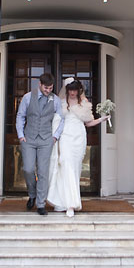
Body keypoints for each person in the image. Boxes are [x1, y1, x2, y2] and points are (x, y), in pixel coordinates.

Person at [46, 78, 110, 217]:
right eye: (71, 90)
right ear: (67, 90)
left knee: (74, 169)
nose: (73, 93)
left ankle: (70, 202)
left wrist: (101, 119)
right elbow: (55, 121)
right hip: (65, 137)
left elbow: (88, 123)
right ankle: (68, 203)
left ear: (78, 90)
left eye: (75, 90)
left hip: (79, 138)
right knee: (65, 165)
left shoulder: (85, 104)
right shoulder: (61, 103)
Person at [15, 72, 64, 215]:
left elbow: (61, 119)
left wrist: (55, 137)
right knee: (28, 169)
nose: (48, 90)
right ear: (40, 84)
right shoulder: (28, 97)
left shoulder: (55, 100)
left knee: (43, 172)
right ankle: (32, 194)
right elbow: (21, 116)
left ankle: (40, 204)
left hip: (46, 139)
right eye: (46, 88)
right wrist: (21, 135)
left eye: (50, 88)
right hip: (28, 139)